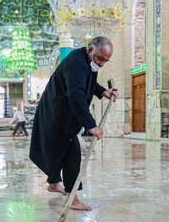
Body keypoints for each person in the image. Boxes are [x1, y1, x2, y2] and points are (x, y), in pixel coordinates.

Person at [29, 36, 119, 211]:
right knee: (73, 154)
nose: (101, 64)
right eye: (100, 58)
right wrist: (91, 125)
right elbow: (76, 96)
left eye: (106, 61)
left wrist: (103, 92)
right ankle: (73, 198)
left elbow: (88, 83)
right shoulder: (75, 63)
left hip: (60, 113)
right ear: (90, 49)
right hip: (55, 113)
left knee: (60, 150)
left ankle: (54, 183)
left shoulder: (89, 62)